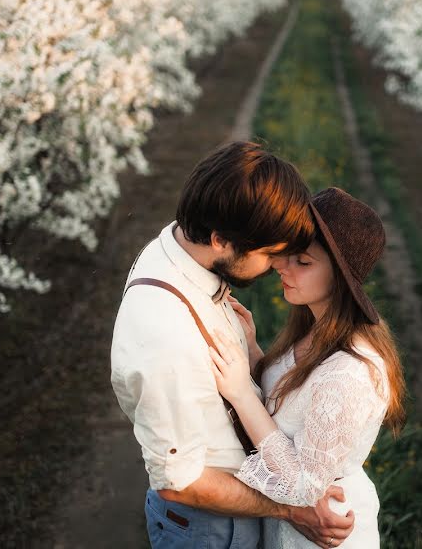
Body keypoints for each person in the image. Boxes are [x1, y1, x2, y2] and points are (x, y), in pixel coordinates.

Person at [110, 142, 357, 549]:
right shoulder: (164, 335)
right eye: (270, 253)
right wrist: (290, 508)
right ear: (221, 240)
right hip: (208, 527)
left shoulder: (177, 247)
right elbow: (180, 483)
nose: (279, 265)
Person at [209, 187, 408, 548]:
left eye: (303, 261)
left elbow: (303, 486)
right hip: (288, 529)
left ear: (341, 279)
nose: (282, 266)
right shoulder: (312, 331)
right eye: (287, 254)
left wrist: (240, 394)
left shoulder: (349, 373)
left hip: (324, 532)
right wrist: (254, 351)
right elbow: (288, 404)